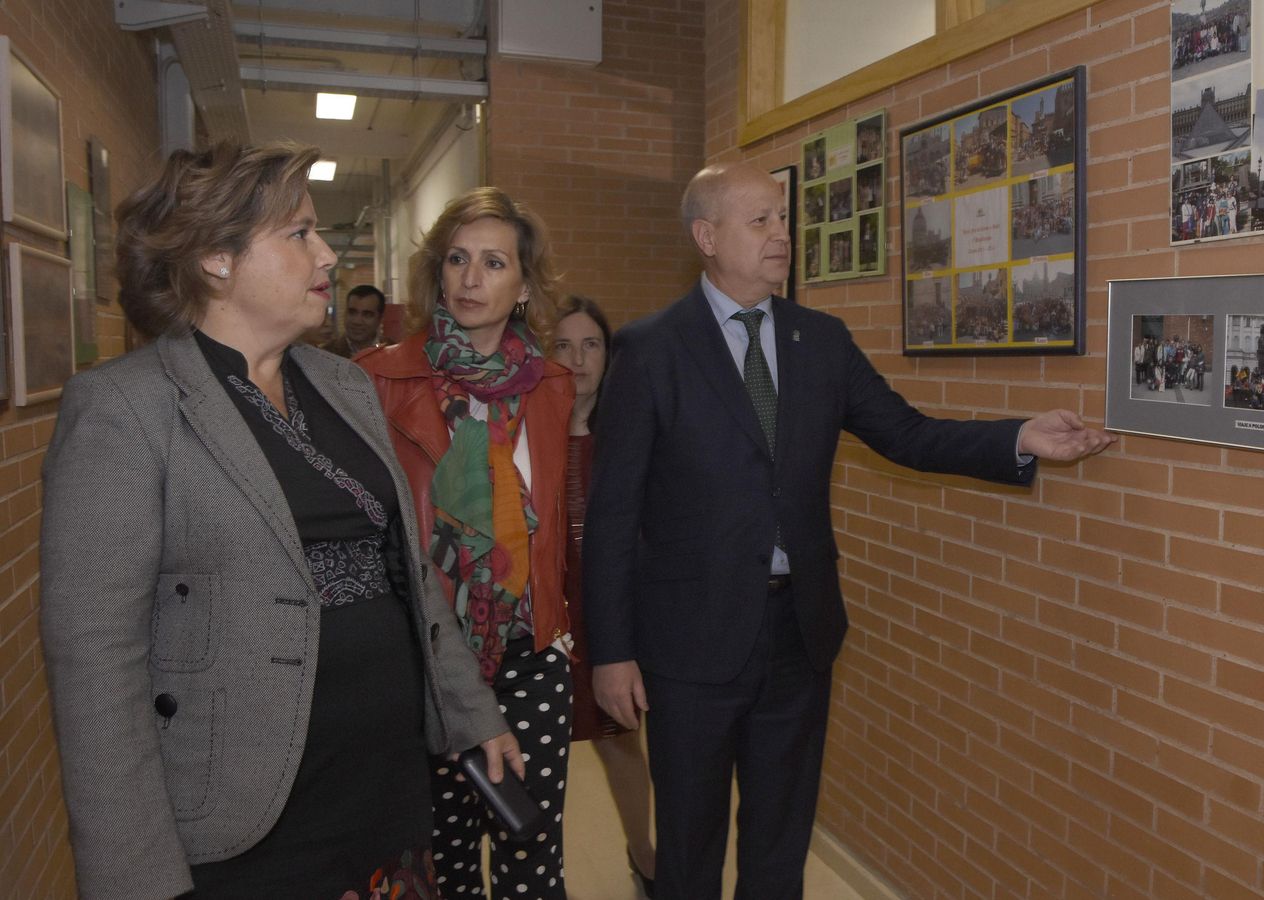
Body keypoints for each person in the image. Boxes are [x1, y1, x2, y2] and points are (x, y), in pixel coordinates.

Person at [583, 161, 1116, 899]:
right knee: (690, 846)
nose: (781, 234)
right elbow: (612, 514)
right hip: (689, 643)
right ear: (706, 236)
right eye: (760, 220)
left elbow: (908, 435)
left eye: (782, 217)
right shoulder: (651, 349)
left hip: (798, 636)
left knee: (780, 845)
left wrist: (1018, 436)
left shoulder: (821, 341)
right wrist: (611, 653)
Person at [38, 142, 521, 900]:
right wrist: (134, 877)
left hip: (384, 791)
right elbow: (95, 663)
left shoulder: (341, 385)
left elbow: (409, 573)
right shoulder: (126, 408)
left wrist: (469, 711)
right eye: (299, 233)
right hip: (246, 822)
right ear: (215, 259)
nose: (326, 253)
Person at [357, 186, 576, 899]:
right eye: (457, 259)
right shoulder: (378, 381)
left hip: (529, 658)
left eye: (494, 262)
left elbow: (554, 525)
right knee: (444, 862)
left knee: (531, 855)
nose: (471, 278)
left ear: (524, 286)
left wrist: (563, 627)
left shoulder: (552, 388)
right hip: (428, 666)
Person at [549, 296, 658, 897]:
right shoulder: (523, 435)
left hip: (611, 617)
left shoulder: (629, 433)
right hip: (546, 620)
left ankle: (646, 858)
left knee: (621, 744)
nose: (577, 359)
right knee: (539, 759)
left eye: (590, 344)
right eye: (562, 346)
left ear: (608, 355)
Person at [321, 283, 388, 358]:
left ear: (380, 319)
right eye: (352, 312)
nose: (357, 321)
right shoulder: (325, 355)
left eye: (367, 315)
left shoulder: (394, 351)